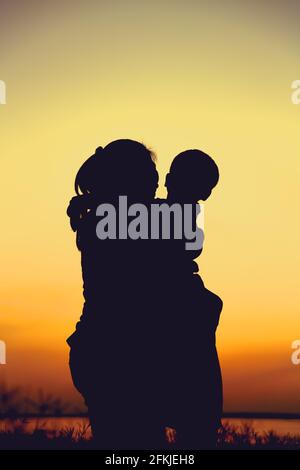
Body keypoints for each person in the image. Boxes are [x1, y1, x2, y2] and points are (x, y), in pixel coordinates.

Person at [156, 149, 223, 449]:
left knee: (199, 411)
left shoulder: (170, 212)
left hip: (186, 310)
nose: (204, 198)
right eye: (201, 188)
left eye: (205, 191)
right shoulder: (151, 214)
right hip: (174, 312)